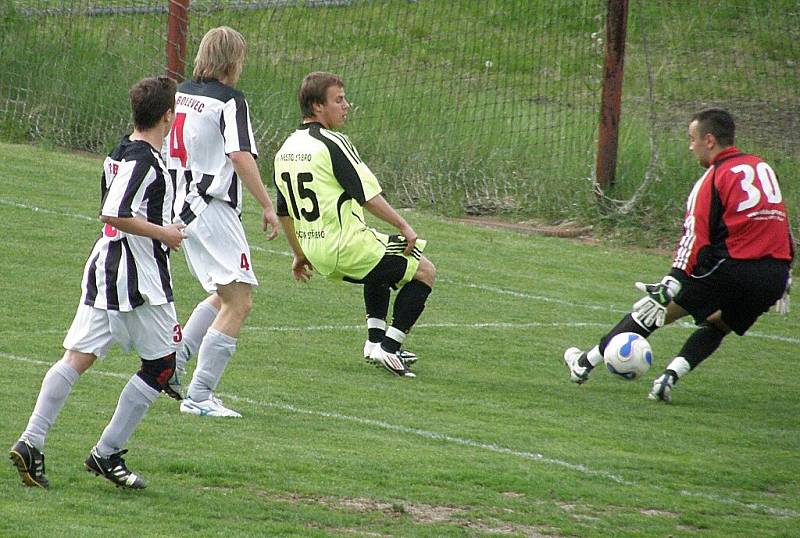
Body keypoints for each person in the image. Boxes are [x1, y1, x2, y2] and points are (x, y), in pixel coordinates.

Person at [9, 76, 184, 489]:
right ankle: (106, 453)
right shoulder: (143, 160)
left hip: (105, 268)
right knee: (162, 367)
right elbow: (113, 211)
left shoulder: (121, 149)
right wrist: (165, 234)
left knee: (78, 357)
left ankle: (31, 441)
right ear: (167, 116)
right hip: (136, 279)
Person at [564, 108, 793, 402]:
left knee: (652, 311)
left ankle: (584, 364)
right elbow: (780, 222)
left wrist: (671, 281)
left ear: (709, 140)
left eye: (692, 138)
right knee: (719, 325)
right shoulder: (762, 168)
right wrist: (784, 273)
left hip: (732, 269)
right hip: (773, 277)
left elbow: (694, 237)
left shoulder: (712, 179)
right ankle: (668, 377)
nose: (690, 146)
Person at [273, 71, 436, 378]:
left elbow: (284, 211)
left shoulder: (285, 149)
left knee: (380, 255)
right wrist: (405, 226)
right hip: (344, 246)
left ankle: (374, 343)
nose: (346, 105)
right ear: (318, 106)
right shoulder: (332, 142)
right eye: (339, 99)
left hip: (317, 251)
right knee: (426, 271)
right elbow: (367, 195)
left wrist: (298, 254)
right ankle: (391, 347)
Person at [165, 27, 279, 417]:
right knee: (240, 301)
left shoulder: (180, 93)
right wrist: (267, 204)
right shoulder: (230, 101)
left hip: (182, 205)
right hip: (212, 207)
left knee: (221, 293)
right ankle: (199, 396)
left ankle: (173, 366)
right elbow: (239, 155)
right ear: (234, 61)